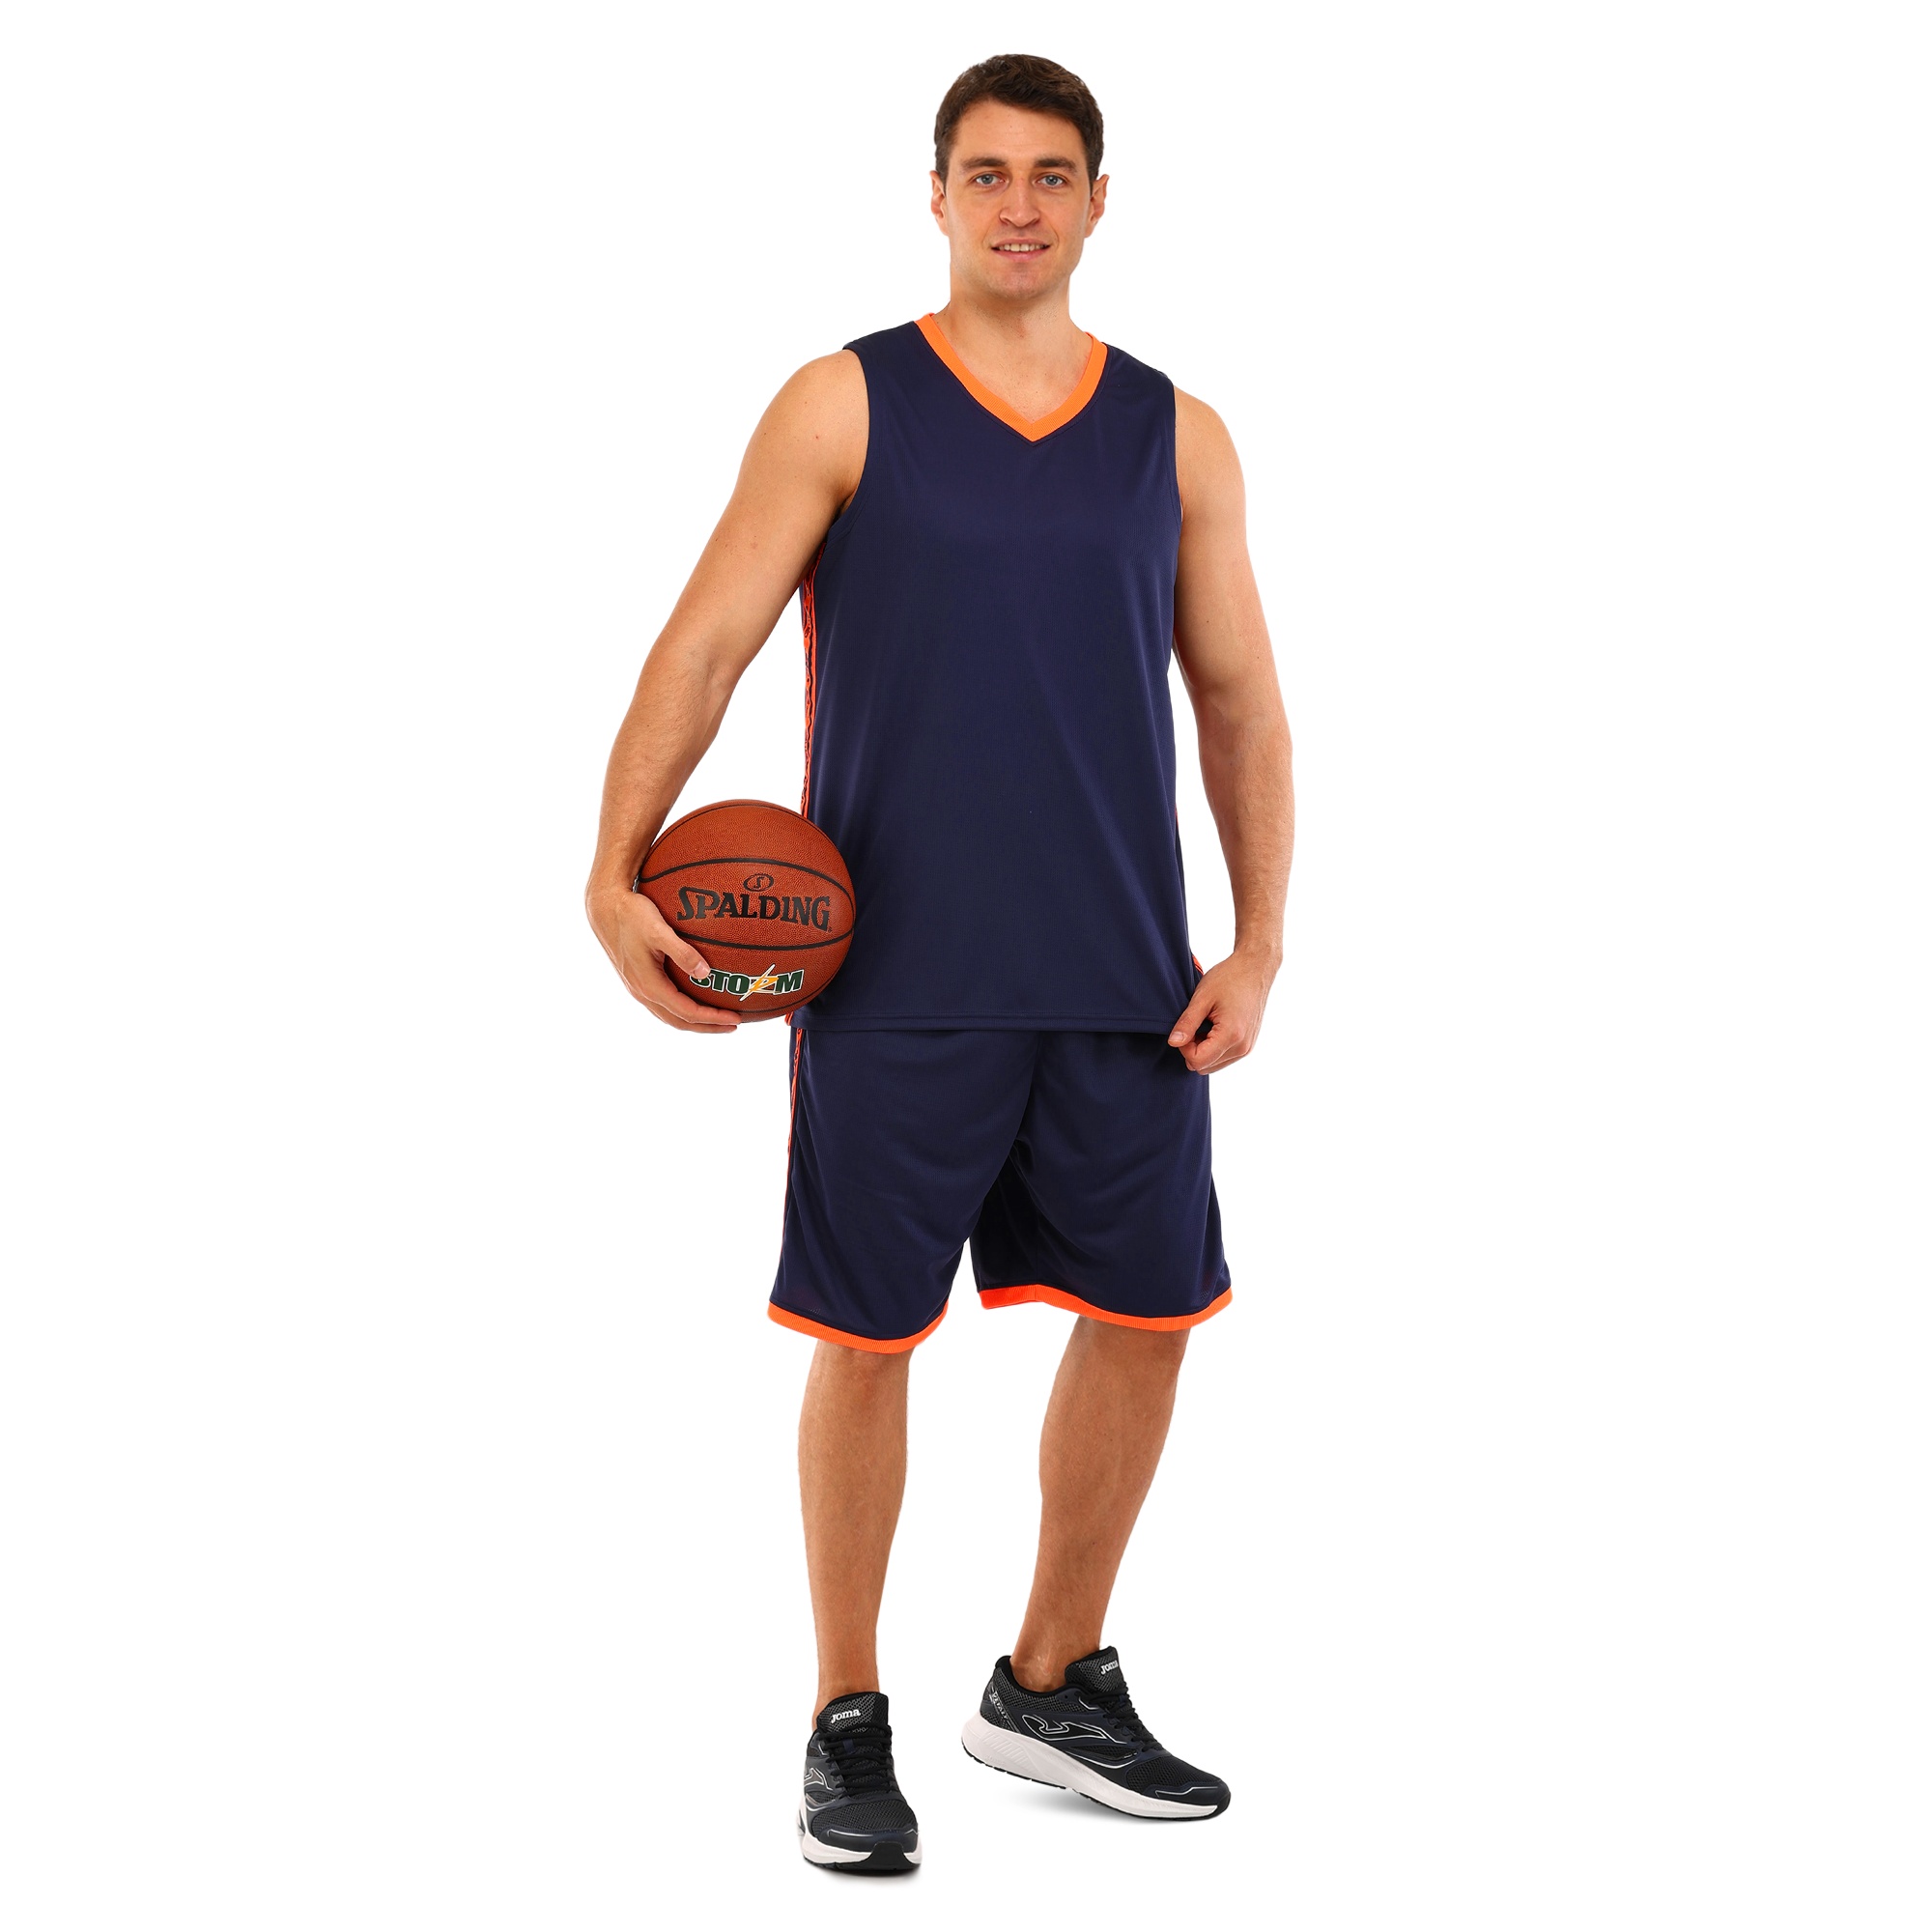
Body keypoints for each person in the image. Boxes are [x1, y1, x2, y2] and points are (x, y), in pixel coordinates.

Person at [586, 53, 1293, 1873]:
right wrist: (611, 867)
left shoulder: (1179, 434)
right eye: (986, 172)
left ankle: (1048, 1681)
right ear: (936, 194)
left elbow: (1237, 699)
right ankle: (847, 1715)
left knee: (1156, 1313)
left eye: (1053, 174)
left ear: (1100, 201)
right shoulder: (844, 401)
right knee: (865, 1337)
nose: (1019, 205)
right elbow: (705, 643)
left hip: (1126, 975)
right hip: (894, 975)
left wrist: (1260, 938)